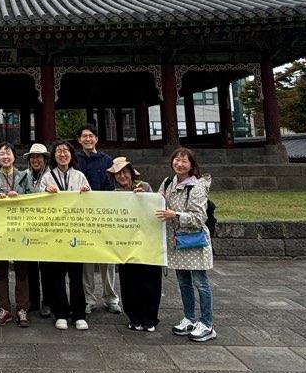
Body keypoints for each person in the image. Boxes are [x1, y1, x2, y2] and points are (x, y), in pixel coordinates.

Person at [156, 147, 216, 342]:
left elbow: (200, 218)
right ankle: (189, 317)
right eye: (176, 160)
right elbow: (157, 202)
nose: (179, 164)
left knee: (201, 283)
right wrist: (142, 194)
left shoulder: (197, 187)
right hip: (177, 241)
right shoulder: (168, 182)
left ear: (192, 165)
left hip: (195, 241)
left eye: (184, 161)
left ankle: (207, 323)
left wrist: (176, 215)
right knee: (183, 282)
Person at [39, 140, 91, 331]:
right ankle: (60, 312)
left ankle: (79, 313)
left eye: (66, 151)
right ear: (54, 156)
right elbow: (38, 201)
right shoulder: (47, 177)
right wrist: (45, 192)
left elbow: (90, 201)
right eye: (59, 152)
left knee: (77, 275)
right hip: (54, 232)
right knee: (56, 274)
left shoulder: (79, 176)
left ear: (71, 155)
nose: (62, 155)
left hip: (75, 232)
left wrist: (86, 193)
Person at [0, 142, 32, 326]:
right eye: (2, 154)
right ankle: (4, 308)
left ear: (14, 157)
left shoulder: (24, 177)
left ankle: (22, 309)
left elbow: (34, 200)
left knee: (22, 271)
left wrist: (21, 198)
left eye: (9, 154)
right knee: (0, 271)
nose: (5, 157)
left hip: (20, 230)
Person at [109, 156, 162, 332]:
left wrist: (144, 197)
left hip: (147, 241)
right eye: (118, 174)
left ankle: (150, 318)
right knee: (129, 281)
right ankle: (134, 317)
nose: (122, 176)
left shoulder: (144, 187)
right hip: (125, 242)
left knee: (149, 280)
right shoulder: (113, 193)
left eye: (125, 172)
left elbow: (156, 206)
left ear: (131, 173)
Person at [74, 123, 121, 315]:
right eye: (84, 136)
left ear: (96, 139)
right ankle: (89, 298)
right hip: (81, 216)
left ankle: (111, 297)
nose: (87, 139)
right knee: (86, 260)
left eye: (91, 136)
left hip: (102, 215)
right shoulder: (74, 160)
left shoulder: (107, 160)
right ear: (79, 140)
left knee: (107, 259)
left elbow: (111, 187)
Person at [25, 143, 52, 317]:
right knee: (30, 267)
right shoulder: (24, 176)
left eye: (39, 157)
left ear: (45, 159)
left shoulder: (51, 177)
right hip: (28, 226)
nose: (35, 160)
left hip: (47, 227)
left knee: (47, 267)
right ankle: (33, 300)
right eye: (33, 157)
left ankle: (47, 302)